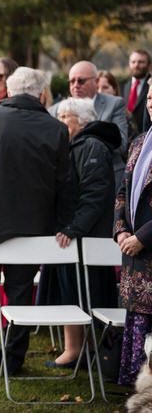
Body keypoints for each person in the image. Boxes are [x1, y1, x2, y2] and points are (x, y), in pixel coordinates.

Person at [0, 67, 70, 375]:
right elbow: (63, 180)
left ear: (8, 91)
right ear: (42, 94)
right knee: (20, 290)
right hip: (31, 224)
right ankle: (14, 358)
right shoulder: (56, 128)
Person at [36, 97, 119, 368]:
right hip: (73, 235)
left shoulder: (92, 145)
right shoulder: (78, 144)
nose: (59, 122)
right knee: (70, 292)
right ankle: (82, 350)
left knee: (75, 293)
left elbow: (95, 194)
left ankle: (74, 352)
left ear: (82, 121)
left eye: (64, 117)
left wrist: (74, 228)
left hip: (82, 237)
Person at [115, 84, 152, 386]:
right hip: (133, 257)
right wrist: (120, 230)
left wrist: (142, 236)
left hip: (147, 247)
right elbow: (122, 191)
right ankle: (137, 394)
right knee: (137, 324)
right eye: (151, 98)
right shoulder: (140, 141)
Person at [50, 60, 128, 189]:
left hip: (108, 178)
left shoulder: (114, 104)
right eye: (71, 81)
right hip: (69, 183)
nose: (76, 85)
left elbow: (122, 144)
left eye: (81, 81)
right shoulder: (55, 110)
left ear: (96, 82)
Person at [99, 69, 140, 143]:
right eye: (96, 88)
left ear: (114, 89)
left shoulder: (125, 115)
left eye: (105, 88)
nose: (100, 91)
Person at [121, 49, 151, 132]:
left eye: (141, 62)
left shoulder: (151, 85)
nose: (136, 65)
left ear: (149, 65)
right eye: (133, 62)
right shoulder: (121, 85)